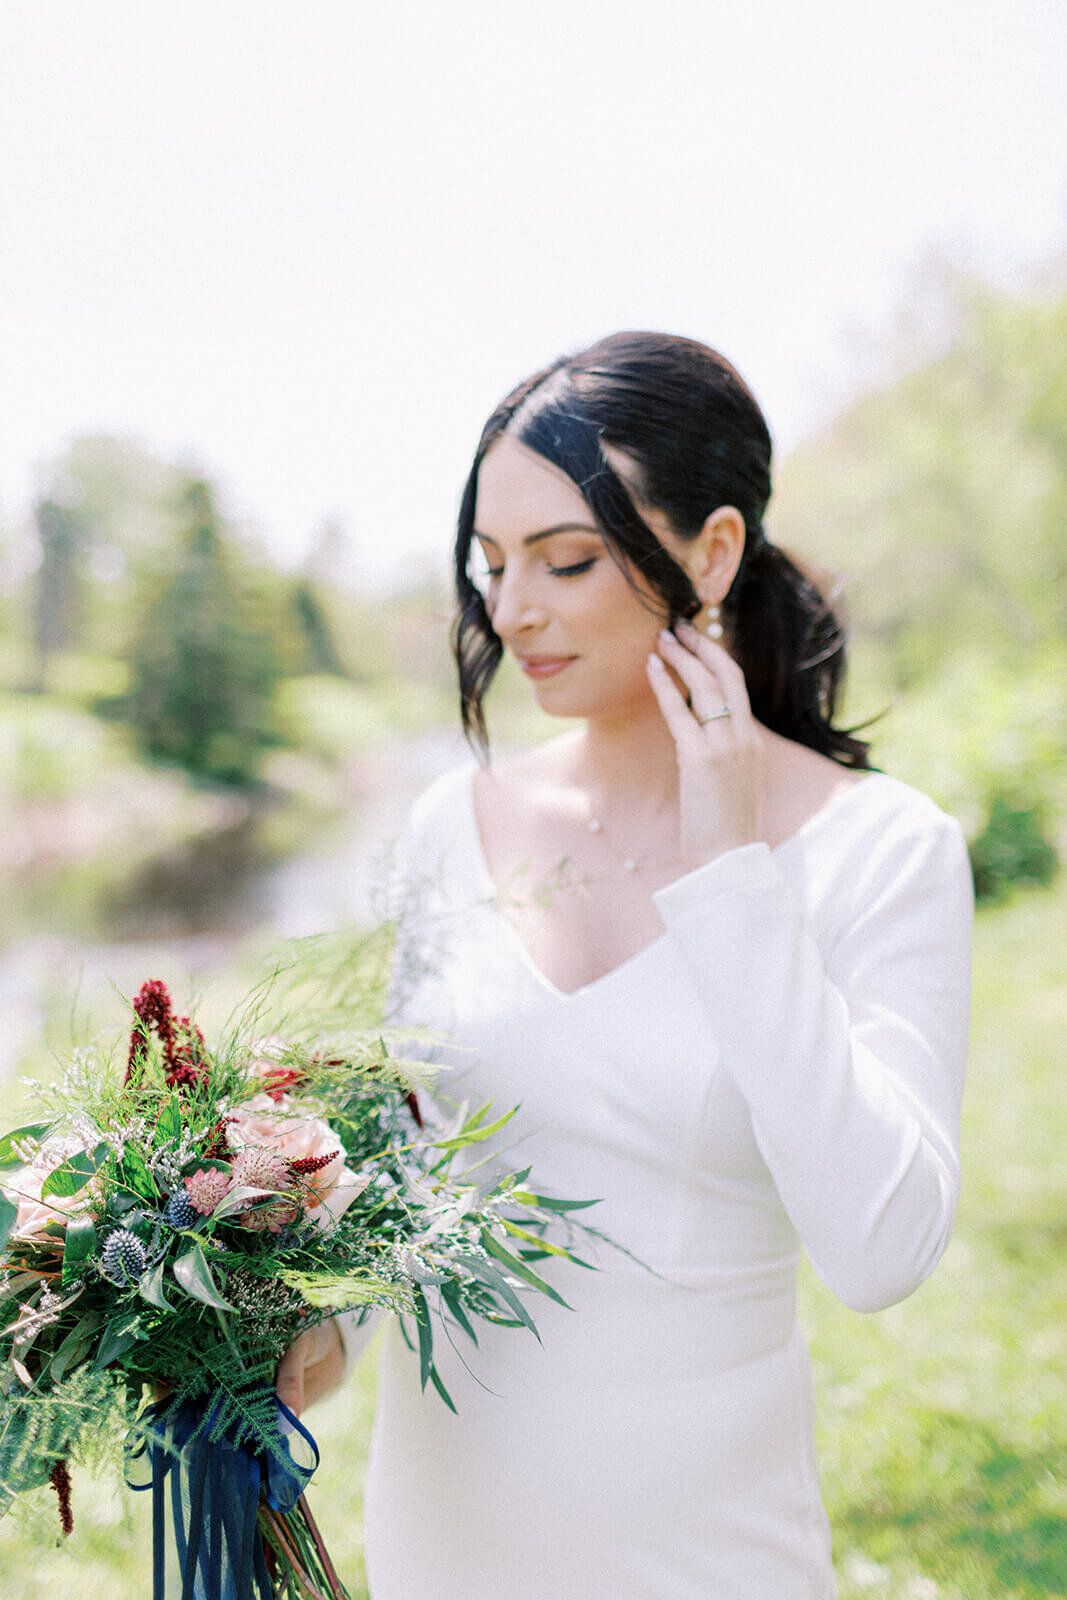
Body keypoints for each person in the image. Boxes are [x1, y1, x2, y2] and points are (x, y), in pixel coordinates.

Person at [278, 332, 973, 1598]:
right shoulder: (450, 825)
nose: (512, 607)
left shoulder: (881, 850)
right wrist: (310, 1329)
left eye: (567, 558)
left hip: (705, 1555)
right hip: (444, 1546)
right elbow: (414, 1170)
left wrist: (729, 876)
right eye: (491, 564)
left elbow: (879, 1251)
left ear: (709, 550)